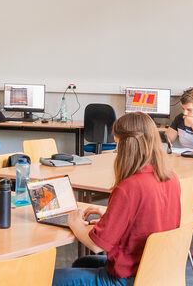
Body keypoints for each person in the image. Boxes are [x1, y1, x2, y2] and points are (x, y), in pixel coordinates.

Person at [53, 112, 181, 286]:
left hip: (127, 279)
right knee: (83, 263)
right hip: (155, 271)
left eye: (117, 143)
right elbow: (150, 216)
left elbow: (97, 245)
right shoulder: (171, 178)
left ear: (128, 147)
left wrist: (74, 223)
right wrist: (110, 212)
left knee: (49, 278)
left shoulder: (129, 187)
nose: (115, 149)